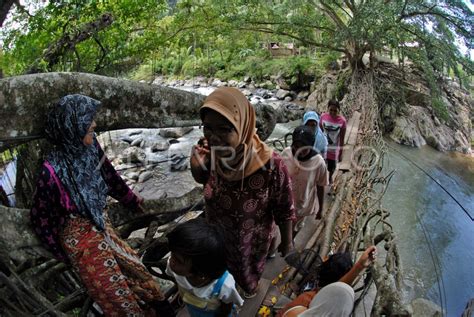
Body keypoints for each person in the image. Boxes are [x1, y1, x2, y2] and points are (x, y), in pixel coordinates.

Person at [30, 94, 170, 316]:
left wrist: (131, 199)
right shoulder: (51, 173)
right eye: (88, 123)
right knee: (117, 299)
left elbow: (109, 175)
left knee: (140, 275)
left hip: (102, 226)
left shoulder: (90, 147)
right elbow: (40, 219)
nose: (94, 125)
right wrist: (64, 254)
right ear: (71, 128)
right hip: (81, 243)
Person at [190, 87, 296, 298]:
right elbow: (202, 179)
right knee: (220, 277)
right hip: (217, 236)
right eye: (208, 128)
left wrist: (287, 242)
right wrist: (196, 165)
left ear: (243, 126)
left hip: (249, 244)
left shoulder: (270, 164)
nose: (213, 137)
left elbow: (284, 208)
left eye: (224, 129)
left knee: (246, 281)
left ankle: (248, 294)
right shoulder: (208, 150)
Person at [166, 218, 244, 317]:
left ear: (200, 273)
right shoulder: (174, 267)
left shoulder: (225, 285)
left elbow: (227, 304)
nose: (171, 260)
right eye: (172, 253)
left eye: (178, 260)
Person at [277, 246, 377, 317]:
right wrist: (359, 266)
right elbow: (335, 292)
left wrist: (359, 266)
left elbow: (332, 291)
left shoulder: (303, 304)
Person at [281, 125, 328, 236]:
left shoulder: (318, 162)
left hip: (304, 203)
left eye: (304, 148)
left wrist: (321, 208)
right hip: (285, 200)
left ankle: (290, 240)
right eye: (296, 146)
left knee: (296, 226)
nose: (298, 151)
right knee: (283, 224)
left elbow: (321, 185)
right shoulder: (286, 153)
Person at [319, 99, 347, 185]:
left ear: (338, 110)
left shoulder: (342, 121)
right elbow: (319, 131)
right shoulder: (323, 117)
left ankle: (330, 177)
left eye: (335, 110)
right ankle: (321, 180)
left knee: (331, 167)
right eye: (331, 110)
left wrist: (341, 152)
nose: (333, 112)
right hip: (323, 147)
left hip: (334, 148)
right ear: (328, 109)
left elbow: (342, 138)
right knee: (321, 165)